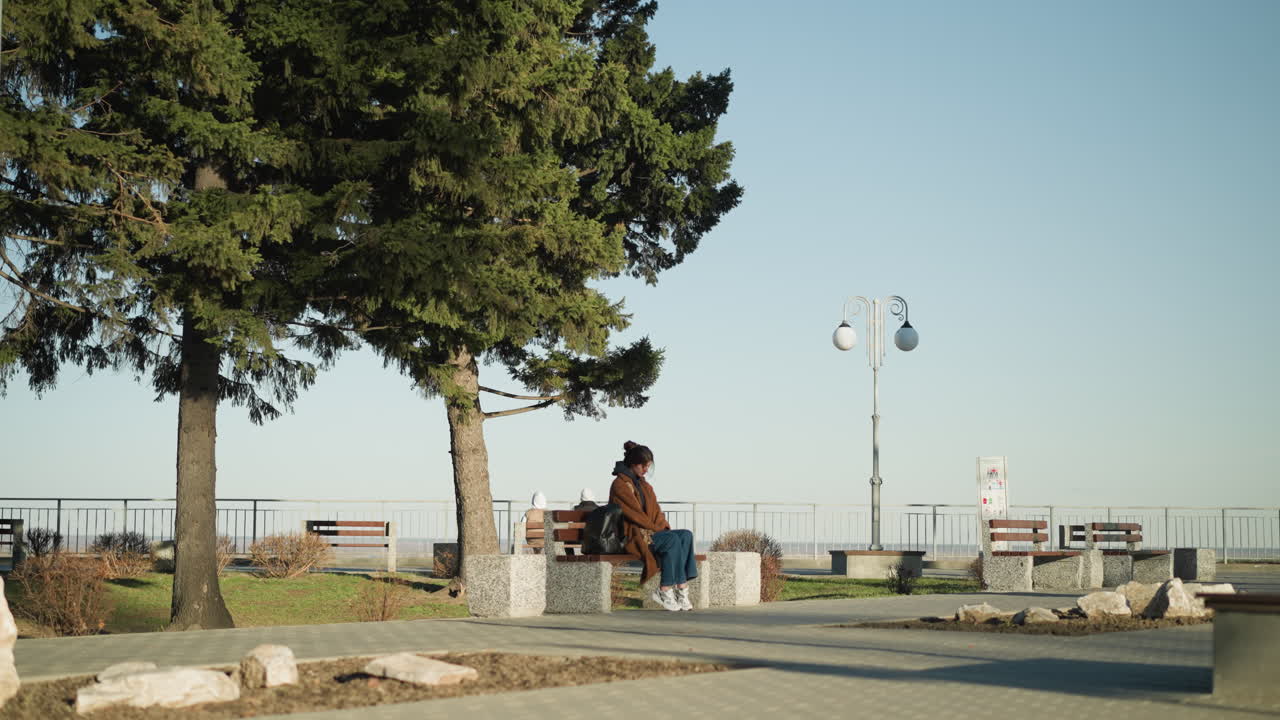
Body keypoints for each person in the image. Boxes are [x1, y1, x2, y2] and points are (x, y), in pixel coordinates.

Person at [608, 440, 698, 611]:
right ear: (633, 464)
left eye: (648, 466)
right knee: (671, 540)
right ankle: (664, 589)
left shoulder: (644, 486)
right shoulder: (620, 485)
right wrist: (658, 529)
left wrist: (661, 526)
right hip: (633, 536)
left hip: (649, 533)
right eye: (643, 466)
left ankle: (681, 588)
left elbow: (656, 512)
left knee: (685, 535)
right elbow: (635, 515)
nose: (646, 470)